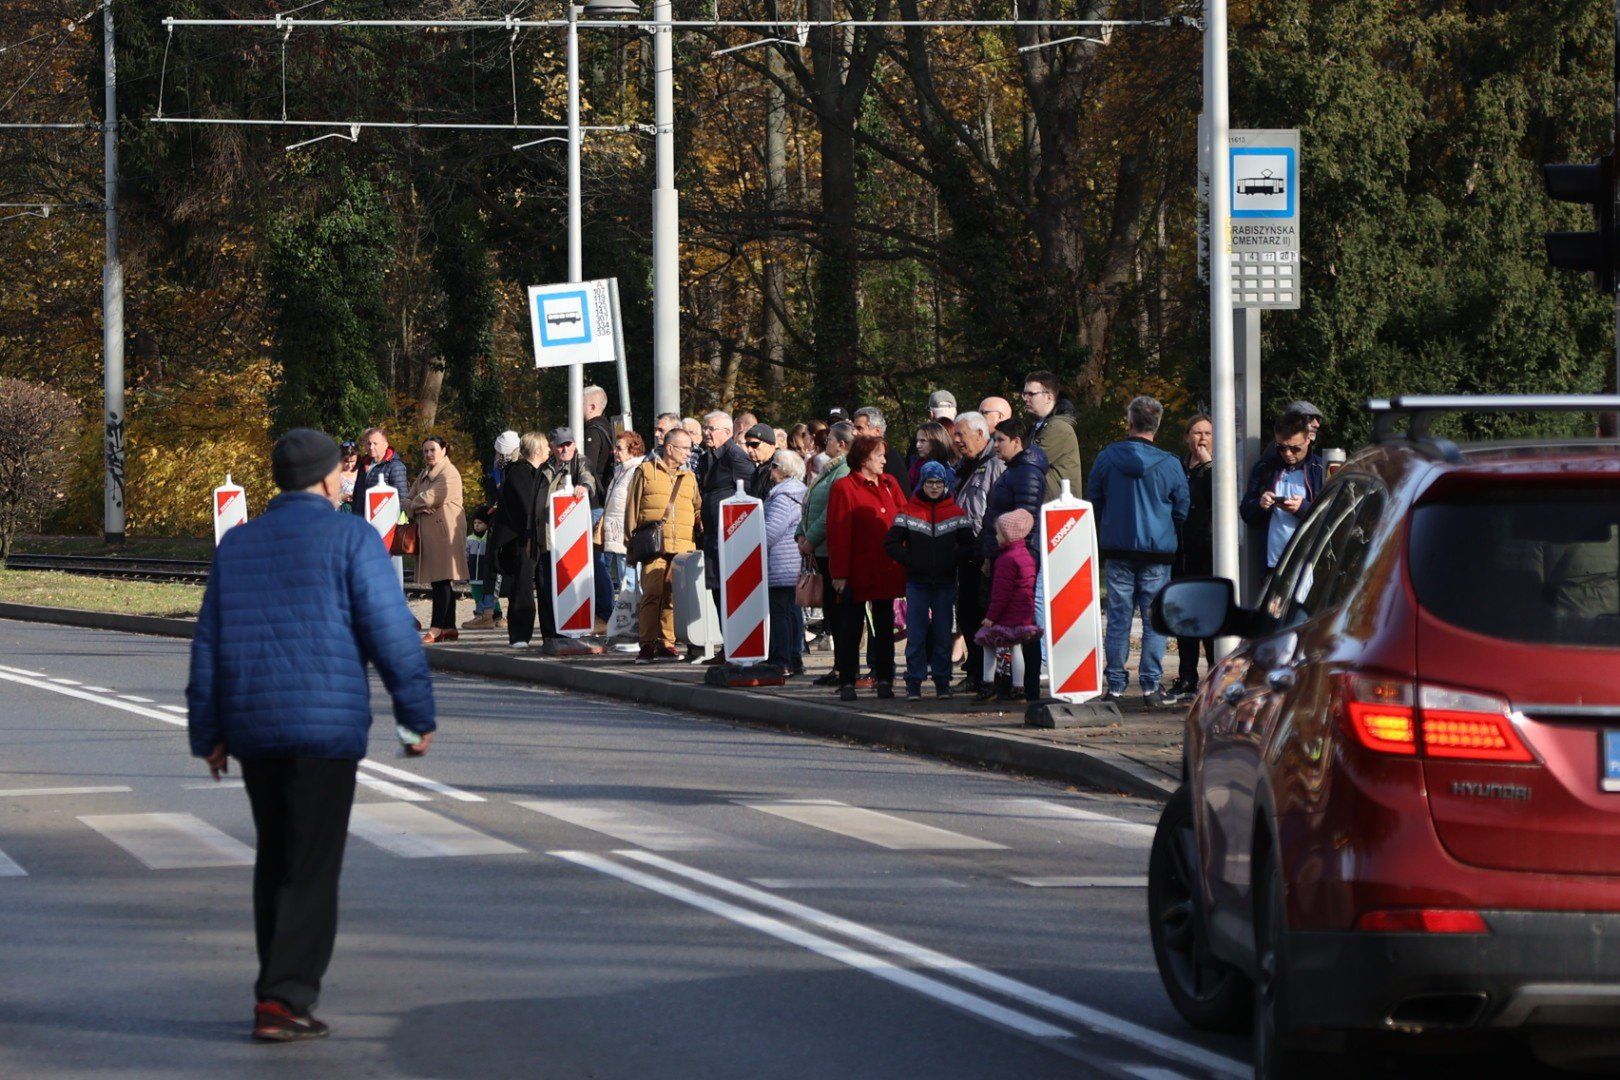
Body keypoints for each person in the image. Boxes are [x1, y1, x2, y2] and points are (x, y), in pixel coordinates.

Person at [188, 428, 434, 1042]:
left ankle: (277, 987)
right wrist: (415, 715)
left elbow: (210, 643)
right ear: (329, 479)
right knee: (312, 865)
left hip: (255, 730)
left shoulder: (239, 544)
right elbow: (392, 634)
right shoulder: (351, 537)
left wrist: (210, 732)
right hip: (325, 731)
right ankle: (284, 997)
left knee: (276, 857)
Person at [1086, 395, 1189, 706]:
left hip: (1118, 548)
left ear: (1129, 422)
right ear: (1157, 425)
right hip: (1157, 552)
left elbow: (1095, 498)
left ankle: (1115, 683)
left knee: (1118, 617)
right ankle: (1151, 684)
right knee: (1154, 619)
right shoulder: (1170, 463)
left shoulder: (1106, 458)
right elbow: (1182, 508)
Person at [826, 434, 907, 701]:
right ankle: (847, 680)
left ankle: (885, 679)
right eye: (879, 455)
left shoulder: (889, 484)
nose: (885, 460)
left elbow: (904, 517)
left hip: (886, 567)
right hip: (857, 568)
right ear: (864, 458)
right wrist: (839, 573)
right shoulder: (844, 487)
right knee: (851, 627)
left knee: (885, 628)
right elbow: (838, 531)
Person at [885, 460, 973, 700]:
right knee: (916, 635)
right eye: (929, 482)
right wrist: (911, 560)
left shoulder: (956, 512)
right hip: (917, 583)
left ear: (945, 484)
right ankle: (914, 681)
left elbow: (968, 545)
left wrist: (952, 559)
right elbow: (890, 543)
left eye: (939, 482)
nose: (934, 487)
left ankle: (942, 682)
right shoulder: (908, 511)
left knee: (944, 634)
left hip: (944, 583)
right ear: (922, 483)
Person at [975, 418, 1047, 701]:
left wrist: (1011, 555)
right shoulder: (1014, 470)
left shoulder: (1026, 472)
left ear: (1017, 441)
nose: (995, 446)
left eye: (1000, 440)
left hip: (1017, 557)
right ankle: (1008, 683)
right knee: (1011, 627)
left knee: (1022, 627)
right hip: (1006, 553)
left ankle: (1027, 689)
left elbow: (1025, 517)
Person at [626, 428, 701, 663]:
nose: (689, 453)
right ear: (670, 448)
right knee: (652, 594)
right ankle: (647, 644)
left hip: (681, 546)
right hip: (653, 546)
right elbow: (632, 509)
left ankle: (666, 643)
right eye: (685, 447)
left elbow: (696, 507)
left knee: (671, 596)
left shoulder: (689, 477)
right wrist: (631, 545)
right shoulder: (645, 471)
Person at [951, 412, 1005, 694]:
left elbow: (995, 512)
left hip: (983, 551)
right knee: (967, 613)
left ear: (981, 435)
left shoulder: (994, 465)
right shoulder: (963, 466)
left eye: (961, 435)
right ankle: (974, 671)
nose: (956, 440)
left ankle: (989, 675)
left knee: (983, 612)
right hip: (964, 549)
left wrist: (988, 551)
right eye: (955, 435)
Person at [798, 420, 854, 686]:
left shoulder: (842, 472)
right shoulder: (829, 470)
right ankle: (839, 666)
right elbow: (810, 502)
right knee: (832, 611)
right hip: (820, 549)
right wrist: (801, 531)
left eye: (830, 439)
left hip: (832, 550)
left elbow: (829, 512)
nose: (826, 443)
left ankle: (845, 667)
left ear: (842, 445)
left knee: (839, 611)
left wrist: (810, 538)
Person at [699, 410, 757, 662]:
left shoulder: (735, 457)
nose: (706, 433)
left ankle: (736, 645)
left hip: (730, 537)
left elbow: (750, 495)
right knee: (715, 590)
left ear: (726, 432)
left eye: (710, 429)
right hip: (712, 536)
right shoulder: (707, 457)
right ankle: (727, 646)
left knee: (729, 591)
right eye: (705, 428)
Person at [1241, 412, 1324, 570]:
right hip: (1273, 565)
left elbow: (1334, 515)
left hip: (1309, 565)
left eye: (1295, 448)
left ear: (1308, 439)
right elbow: (1246, 512)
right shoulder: (1265, 468)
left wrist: (1303, 508)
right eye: (1281, 448)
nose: (1288, 454)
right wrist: (1261, 504)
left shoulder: (1320, 470)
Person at [974, 508, 1041, 703]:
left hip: (1006, 613)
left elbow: (1001, 594)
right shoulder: (1026, 555)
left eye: (999, 532)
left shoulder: (1006, 559)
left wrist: (991, 617)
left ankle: (988, 684)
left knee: (986, 643)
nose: (996, 536)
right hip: (1023, 613)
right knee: (1016, 648)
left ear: (1009, 534)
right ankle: (1019, 688)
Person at [407, 436, 469, 644]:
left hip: (444, 533)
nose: (428, 454)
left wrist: (416, 504)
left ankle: (436, 628)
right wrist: (417, 506)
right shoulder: (424, 474)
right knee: (440, 581)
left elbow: (430, 497)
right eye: (425, 451)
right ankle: (449, 627)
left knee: (441, 579)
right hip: (431, 533)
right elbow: (407, 500)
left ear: (444, 450)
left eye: (432, 450)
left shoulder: (448, 473)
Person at [1170, 414, 1215, 701]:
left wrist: (1209, 464)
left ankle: (1213, 672)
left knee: (1209, 616)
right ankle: (1187, 675)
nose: (1201, 438)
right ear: (1187, 437)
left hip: (1208, 548)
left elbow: (1221, 497)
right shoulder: (1178, 467)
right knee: (1183, 615)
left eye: (1207, 433)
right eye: (1196, 432)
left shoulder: (1217, 467)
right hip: (1181, 548)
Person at [492, 433, 548, 649]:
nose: (549, 451)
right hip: (521, 540)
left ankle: (543, 633)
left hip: (532, 538)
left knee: (536, 585)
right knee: (522, 587)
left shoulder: (532, 473)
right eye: (545, 447)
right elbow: (528, 508)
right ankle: (519, 635)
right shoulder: (520, 474)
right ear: (537, 450)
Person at [465, 431, 520, 630]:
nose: (498, 456)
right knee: (491, 568)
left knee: (510, 572)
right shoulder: (498, 468)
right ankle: (488, 613)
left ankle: (506, 614)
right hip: (499, 523)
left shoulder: (517, 469)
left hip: (512, 528)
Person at [764, 450, 809, 675]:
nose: (770, 470)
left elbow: (770, 532)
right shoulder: (800, 494)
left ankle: (781, 660)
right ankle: (795, 658)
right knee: (793, 612)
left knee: (781, 613)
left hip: (781, 564)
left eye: (773, 465)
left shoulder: (782, 497)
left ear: (783, 469)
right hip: (795, 563)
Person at [351, 427, 411, 588]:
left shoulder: (395, 466)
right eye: (368, 443)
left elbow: (402, 497)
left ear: (386, 444)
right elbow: (358, 495)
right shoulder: (364, 464)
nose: (371, 447)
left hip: (387, 528)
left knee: (391, 568)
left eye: (375, 443)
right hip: (364, 525)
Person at [1022, 369, 1084, 499]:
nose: (1026, 399)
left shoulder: (1058, 427)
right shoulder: (1038, 426)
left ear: (1049, 397)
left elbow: (1028, 461)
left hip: (1058, 510)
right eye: (1024, 394)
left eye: (1031, 394)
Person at [600, 430, 646, 592]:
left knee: (630, 582)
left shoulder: (637, 471)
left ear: (632, 450)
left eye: (619, 448)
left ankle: (635, 616)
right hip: (617, 533)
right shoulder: (621, 470)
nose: (615, 451)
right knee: (624, 580)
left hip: (628, 536)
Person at [853, 406, 912, 496]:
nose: (854, 432)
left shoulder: (891, 457)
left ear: (877, 431)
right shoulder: (857, 455)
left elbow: (901, 495)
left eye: (859, 428)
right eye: (854, 428)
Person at [908, 420, 957, 489]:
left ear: (935, 442)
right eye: (917, 441)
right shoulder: (917, 467)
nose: (917, 445)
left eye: (922, 441)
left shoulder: (942, 472)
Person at [742, 422, 780, 499]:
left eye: (754, 444)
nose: (749, 450)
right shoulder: (759, 469)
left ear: (771, 446)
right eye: (747, 445)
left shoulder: (780, 468)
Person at [337, 441, 360, 510]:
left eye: (352, 461)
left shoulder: (362, 471)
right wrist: (342, 497)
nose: (349, 465)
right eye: (346, 461)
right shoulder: (335, 474)